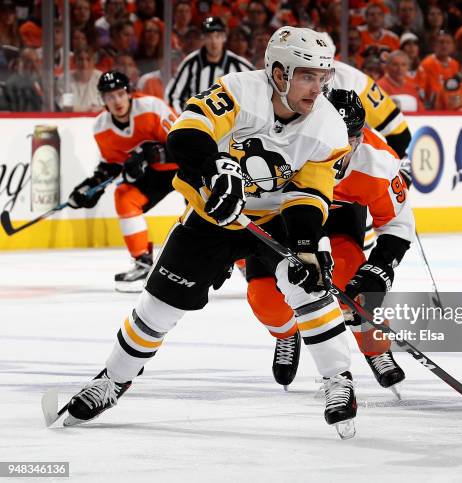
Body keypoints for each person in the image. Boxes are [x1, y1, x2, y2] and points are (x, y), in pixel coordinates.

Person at [62, 27, 358, 439]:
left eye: (322, 76)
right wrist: (213, 168)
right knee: (159, 306)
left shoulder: (327, 126)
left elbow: (309, 193)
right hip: (212, 213)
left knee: (307, 283)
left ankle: (338, 381)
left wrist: (307, 247)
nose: (318, 86)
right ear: (278, 72)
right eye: (308, 75)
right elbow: (185, 133)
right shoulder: (239, 90)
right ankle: (113, 380)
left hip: (276, 217)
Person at [246, 89, 415, 392]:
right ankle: (286, 333)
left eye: (346, 137)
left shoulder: (377, 165)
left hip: (339, 216)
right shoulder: (278, 148)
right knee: (265, 299)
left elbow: (397, 223)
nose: (335, 146)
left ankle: (375, 348)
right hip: (286, 218)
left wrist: (380, 268)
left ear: (359, 139)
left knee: (353, 276)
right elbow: (246, 207)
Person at [67, 71, 178, 292]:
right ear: (103, 100)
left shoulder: (152, 108)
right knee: (124, 196)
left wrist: (150, 154)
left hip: (184, 168)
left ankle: (244, 262)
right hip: (153, 176)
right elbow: (112, 165)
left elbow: (184, 143)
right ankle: (143, 264)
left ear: (128, 92)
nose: (116, 101)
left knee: (210, 209)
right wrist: (91, 187)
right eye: (109, 97)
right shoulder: (101, 127)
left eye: (119, 94)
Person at [166, 16, 254, 113]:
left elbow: (257, 93)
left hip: (230, 126)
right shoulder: (190, 63)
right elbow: (172, 96)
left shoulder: (239, 65)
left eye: (218, 36)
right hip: (195, 124)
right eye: (209, 36)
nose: (214, 42)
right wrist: (183, 120)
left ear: (224, 37)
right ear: (203, 38)